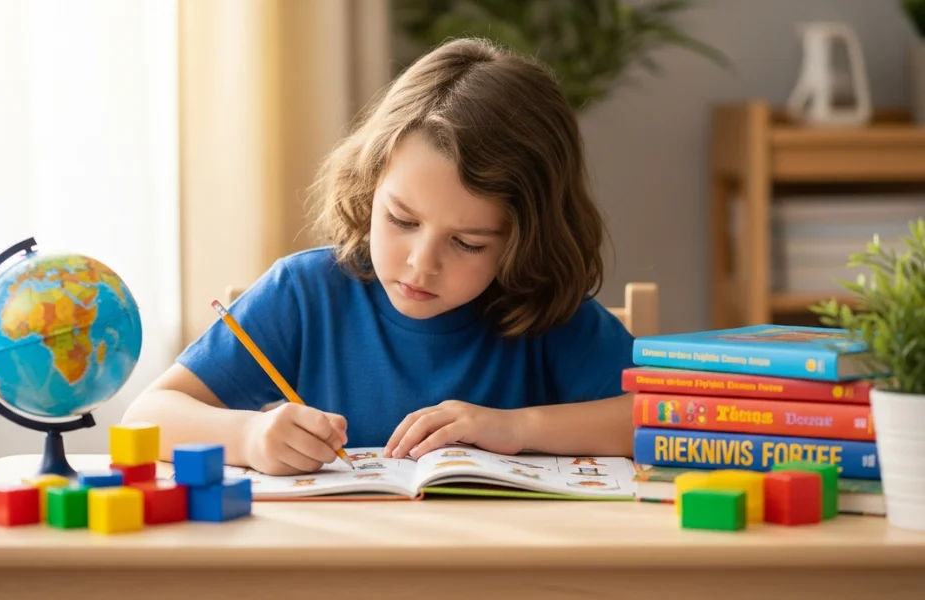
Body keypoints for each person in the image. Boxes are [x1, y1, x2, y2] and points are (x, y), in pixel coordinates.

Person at [123, 37, 637, 476]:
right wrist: (250, 436)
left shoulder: (543, 309)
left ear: (525, 240)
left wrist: (516, 427)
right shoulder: (305, 294)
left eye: (468, 243)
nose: (421, 263)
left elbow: (661, 418)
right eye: (402, 221)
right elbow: (147, 416)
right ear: (371, 184)